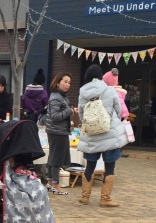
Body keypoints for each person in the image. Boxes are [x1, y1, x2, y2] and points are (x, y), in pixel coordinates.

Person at [77, 64, 128, 207]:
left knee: (90, 166)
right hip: (109, 134)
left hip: (91, 136)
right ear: (101, 76)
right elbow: (119, 111)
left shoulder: (82, 93)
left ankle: (85, 197)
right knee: (109, 167)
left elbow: (81, 115)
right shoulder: (110, 90)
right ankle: (105, 199)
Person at [45, 71, 78, 195]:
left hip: (58, 131)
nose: (67, 85)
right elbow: (55, 116)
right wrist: (70, 111)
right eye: (65, 82)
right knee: (56, 159)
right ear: (58, 82)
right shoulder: (56, 97)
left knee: (53, 157)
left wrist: (71, 110)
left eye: (69, 82)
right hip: (57, 131)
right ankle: (56, 185)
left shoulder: (61, 96)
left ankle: (50, 182)